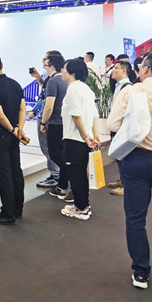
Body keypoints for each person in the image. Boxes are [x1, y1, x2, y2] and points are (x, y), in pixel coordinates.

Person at [107, 52, 152, 290]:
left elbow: (112, 124)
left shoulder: (132, 92)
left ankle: (141, 272)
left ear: (145, 69)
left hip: (135, 159)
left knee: (135, 216)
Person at [0, 52, 27, 225]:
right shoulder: (15, 84)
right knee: (16, 170)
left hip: (0, 135)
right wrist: (19, 129)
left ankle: (7, 213)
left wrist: (12, 130)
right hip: (14, 134)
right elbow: (22, 109)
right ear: (2, 65)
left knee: (4, 174)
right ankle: (17, 208)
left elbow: (0, 115)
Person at [59, 59, 100, 221]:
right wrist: (94, 135)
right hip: (83, 139)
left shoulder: (73, 88)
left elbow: (76, 115)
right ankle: (82, 205)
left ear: (73, 73)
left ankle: (82, 209)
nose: (62, 71)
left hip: (75, 139)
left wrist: (85, 136)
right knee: (80, 174)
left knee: (76, 176)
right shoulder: (87, 89)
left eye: (64, 68)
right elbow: (95, 115)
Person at [39, 55, 71, 202]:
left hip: (56, 123)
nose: (44, 69)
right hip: (66, 123)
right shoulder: (66, 81)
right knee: (63, 154)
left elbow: (49, 106)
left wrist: (43, 122)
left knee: (56, 155)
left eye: (45, 66)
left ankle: (69, 181)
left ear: (52, 67)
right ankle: (62, 186)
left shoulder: (53, 81)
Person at [30, 50, 62, 189]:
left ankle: (56, 176)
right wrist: (38, 78)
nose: (43, 62)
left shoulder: (54, 80)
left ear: (52, 65)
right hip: (55, 120)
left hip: (48, 119)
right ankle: (57, 175)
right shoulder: (57, 79)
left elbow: (47, 103)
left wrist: (40, 118)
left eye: (45, 60)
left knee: (48, 148)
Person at [105, 60, 134, 196]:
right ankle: (122, 179)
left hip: (122, 129)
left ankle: (125, 185)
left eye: (116, 68)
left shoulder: (128, 88)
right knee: (119, 157)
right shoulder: (118, 86)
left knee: (124, 157)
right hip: (116, 128)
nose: (113, 71)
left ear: (124, 70)